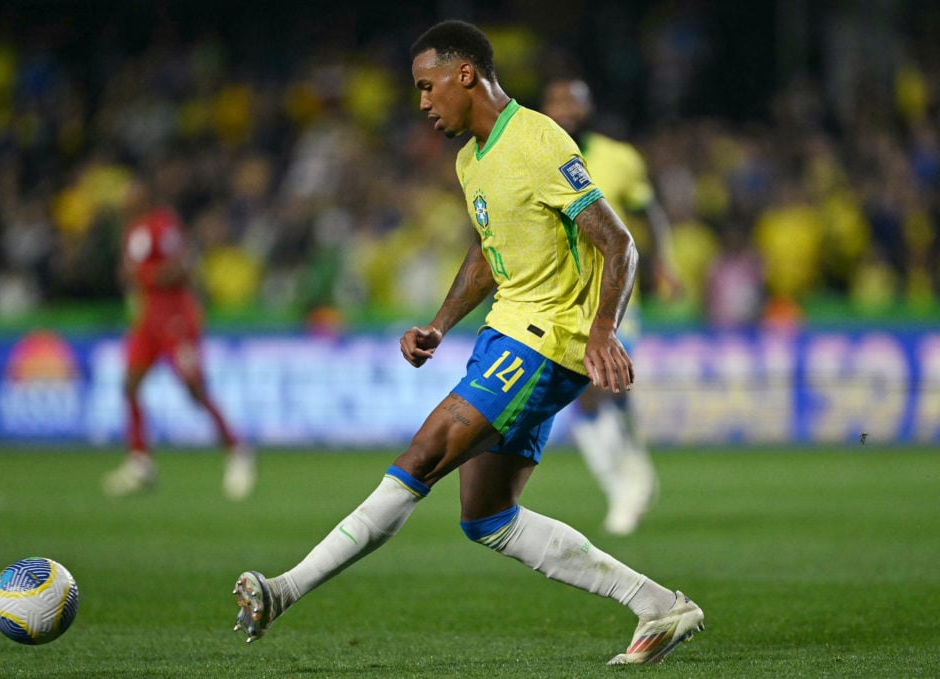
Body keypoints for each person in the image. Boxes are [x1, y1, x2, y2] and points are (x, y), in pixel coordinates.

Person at [232, 20, 703, 665]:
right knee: (487, 517)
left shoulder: (536, 140)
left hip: (543, 340)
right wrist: (440, 324)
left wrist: (601, 329)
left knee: (422, 455)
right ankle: (658, 605)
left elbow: (618, 241)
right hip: (505, 332)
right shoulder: (469, 158)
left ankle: (283, 589)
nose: (421, 102)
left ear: (464, 75)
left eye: (427, 87)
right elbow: (488, 252)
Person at [541, 77, 682, 535]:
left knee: (595, 391)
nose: (567, 109)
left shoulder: (619, 159)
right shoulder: (534, 157)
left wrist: (666, 265)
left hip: (617, 301)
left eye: (575, 102)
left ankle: (625, 490)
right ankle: (629, 481)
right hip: (560, 302)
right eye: (558, 101)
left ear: (588, 110)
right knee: (593, 400)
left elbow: (649, 215)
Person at [103, 177, 255, 500]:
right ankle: (139, 462)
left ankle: (237, 452)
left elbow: (181, 268)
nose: (125, 202)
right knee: (130, 384)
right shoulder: (131, 231)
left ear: (144, 197)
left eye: (131, 194)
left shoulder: (162, 225)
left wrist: (142, 276)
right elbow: (128, 273)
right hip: (147, 320)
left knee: (194, 389)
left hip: (175, 318)